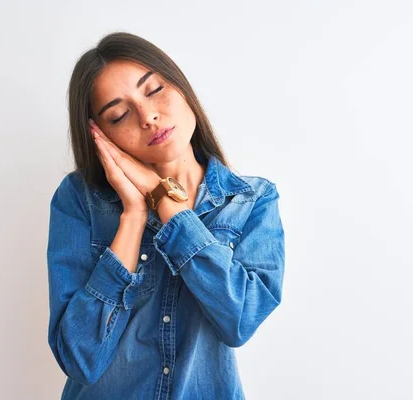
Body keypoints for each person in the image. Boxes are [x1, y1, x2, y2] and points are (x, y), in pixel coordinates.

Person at [46, 31, 285, 400]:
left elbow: (240, 319)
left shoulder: (250, 200)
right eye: (119, 114)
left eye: (154, 89)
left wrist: (166, 202)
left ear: (181, 85)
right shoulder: (79, 200)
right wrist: (133, 216)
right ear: (101, 137)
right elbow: (80, 359)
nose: (148, 116)